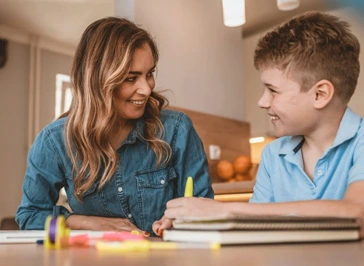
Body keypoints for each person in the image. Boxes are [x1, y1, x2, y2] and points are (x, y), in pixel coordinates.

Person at [156, 12, 364, 237]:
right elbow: (254, 226)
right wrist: (193, 221)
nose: (262, 101)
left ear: (320, 94)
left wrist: (224, 209)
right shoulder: (273, 155)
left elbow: (357, 214)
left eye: (273, 90)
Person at [15, 17, 214, 235]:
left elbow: (206, 212)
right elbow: (31, 215)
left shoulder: (176, 130)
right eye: (130, 78)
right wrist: (87, 222)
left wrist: (182, 222)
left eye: (149, 74)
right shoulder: (55, 141)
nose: (146, 90)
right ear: (97, 81)